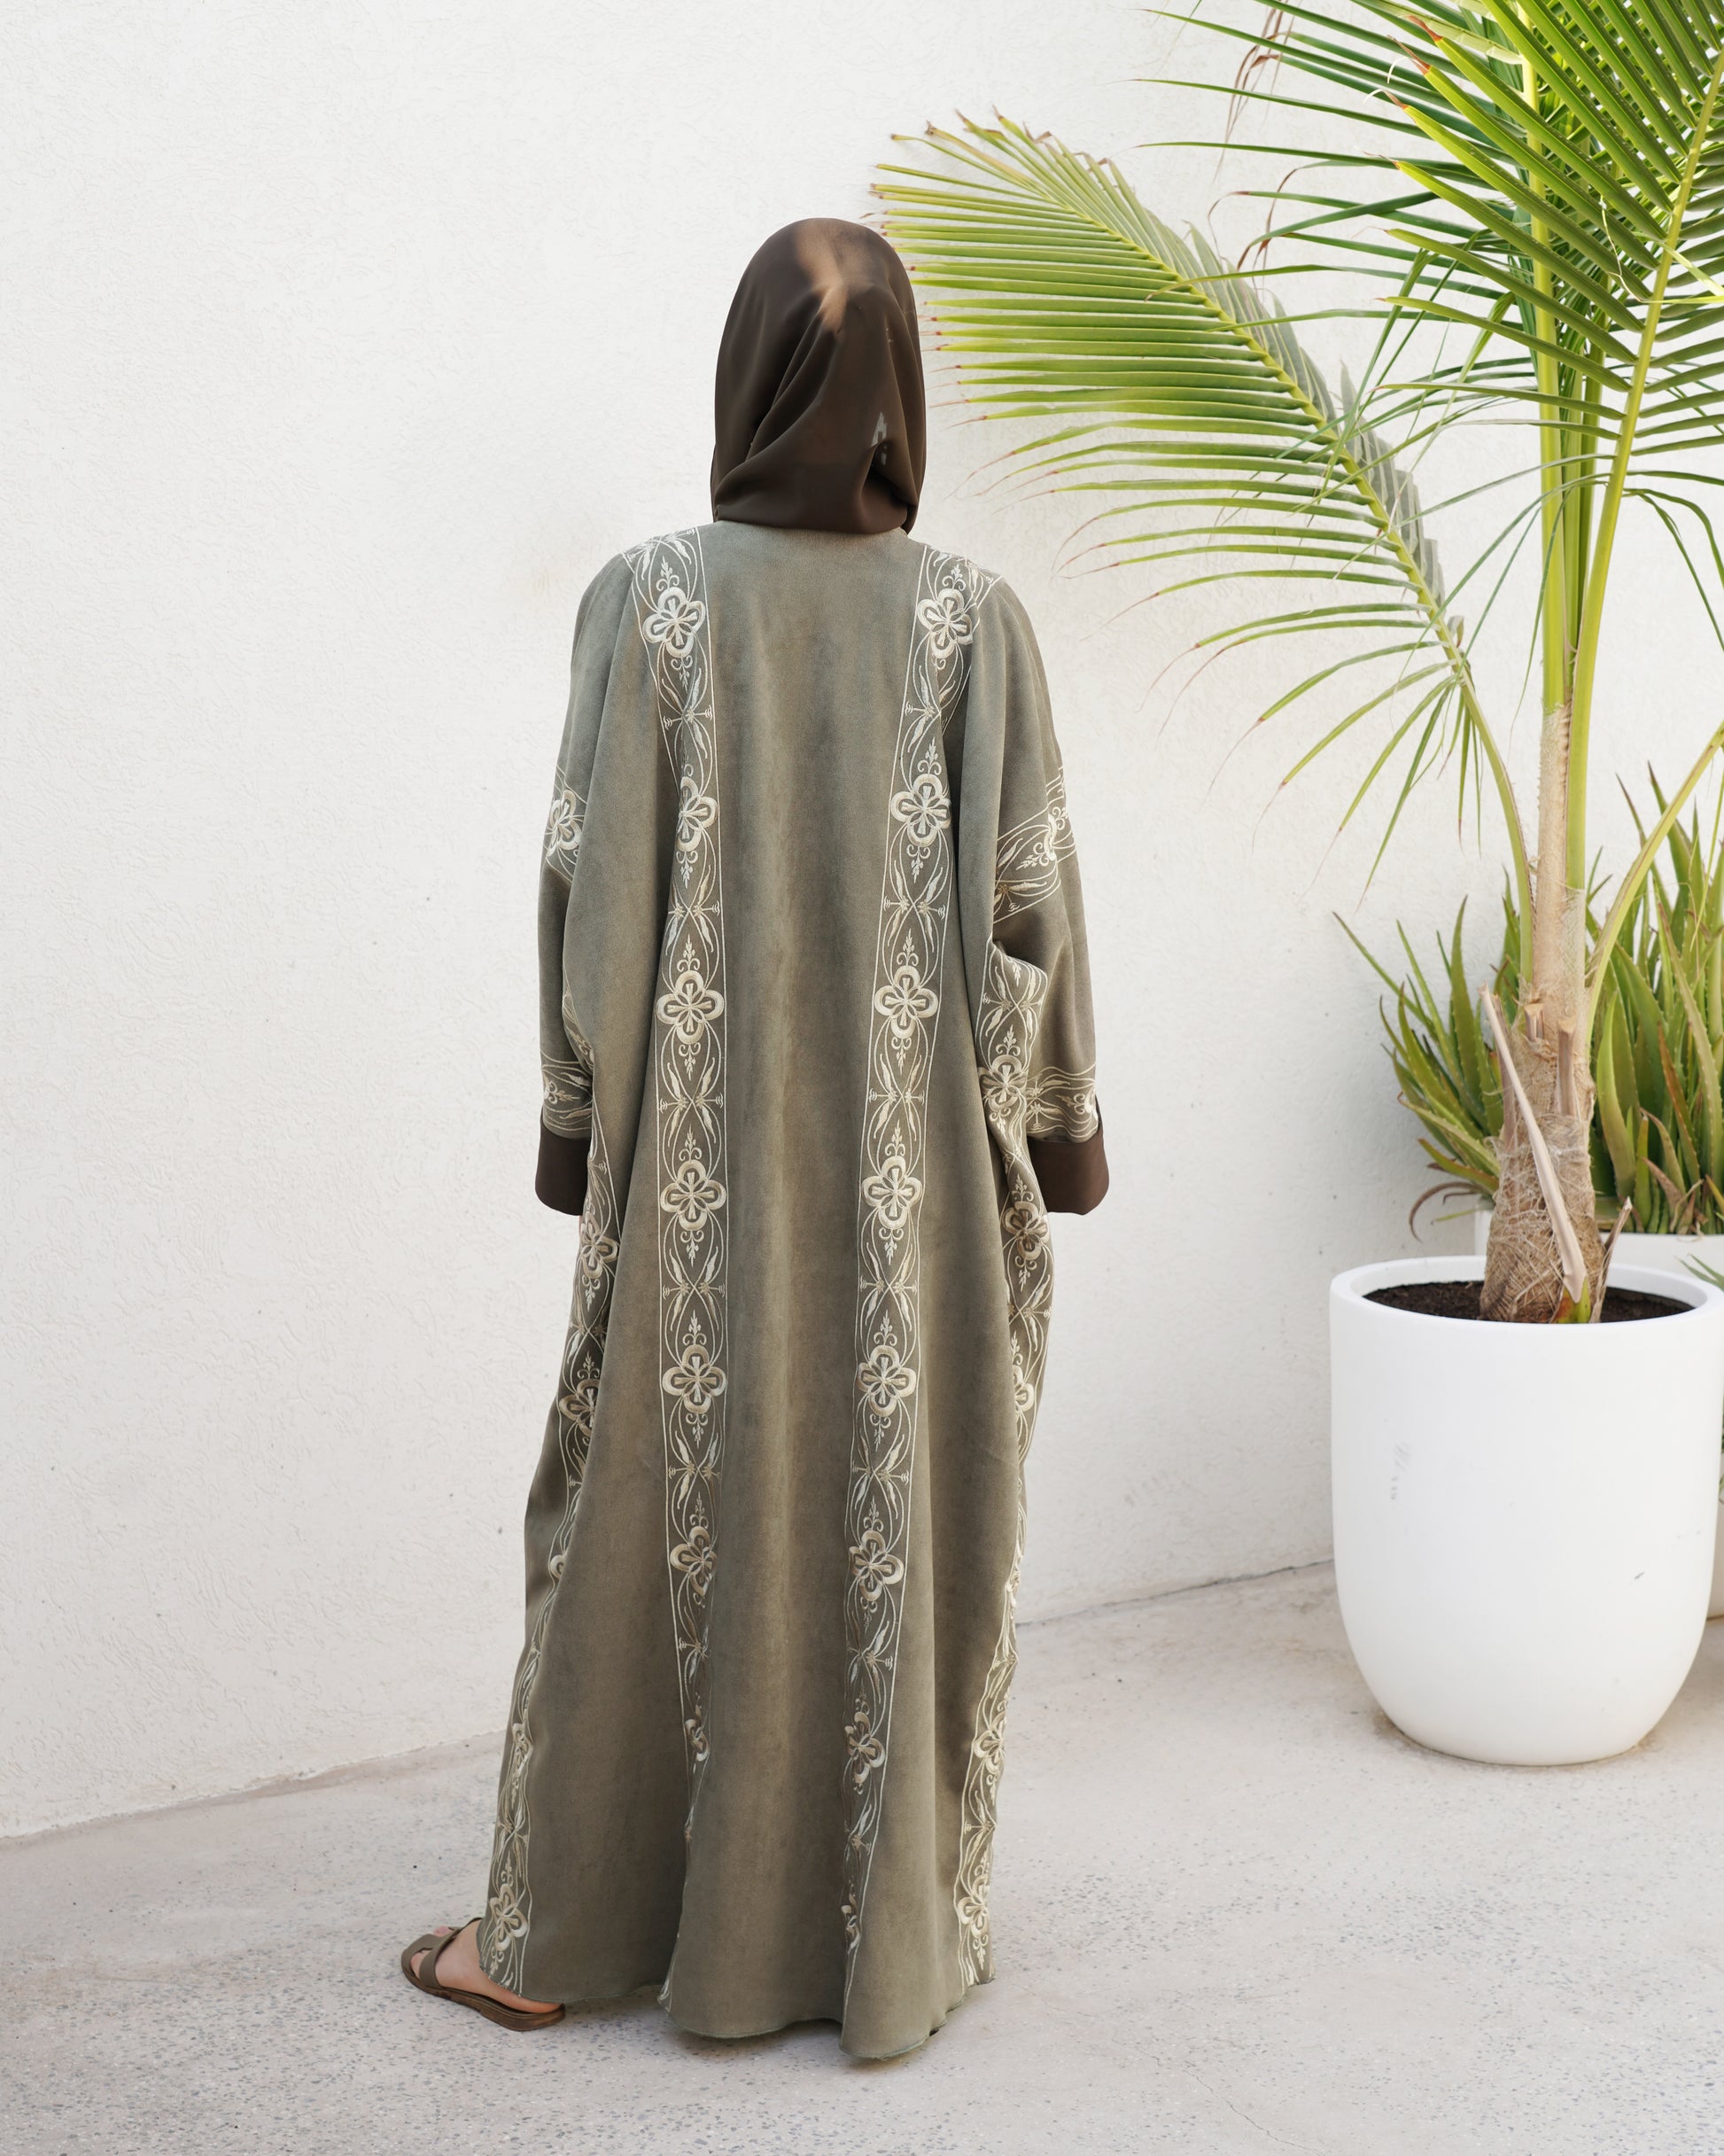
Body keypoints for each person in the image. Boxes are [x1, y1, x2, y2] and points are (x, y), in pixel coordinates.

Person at [401, 216, 1107, 2061]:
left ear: (743, 384)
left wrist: (576, 1124)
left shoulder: (646, 603)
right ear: (898, 400)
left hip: (693, 1177)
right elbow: (1030, 900)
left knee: (632, 1526)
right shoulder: (972, 623)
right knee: (895, 1515)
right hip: (915, 1193)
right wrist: (1063, 1136)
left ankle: (551, 1935)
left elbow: (582, 882)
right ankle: (880, 1950)